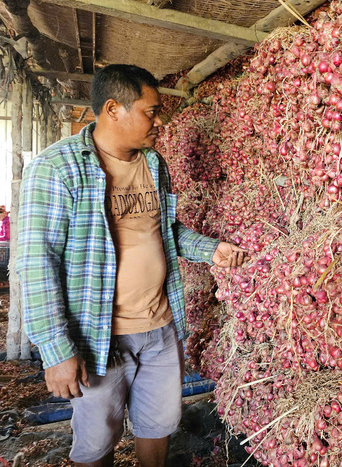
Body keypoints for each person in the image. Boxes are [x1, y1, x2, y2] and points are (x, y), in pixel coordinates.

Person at [16, 64, 245, 467]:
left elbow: (163, 231)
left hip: (159, 327)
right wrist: (55, 350)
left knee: (158, 425)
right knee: (97, 438)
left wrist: (210, 250)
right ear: (112, 109)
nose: (160, 120)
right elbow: (38, 262)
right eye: (151, 111)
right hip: (98, 337)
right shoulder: (57, 169)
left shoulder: (154, 164)